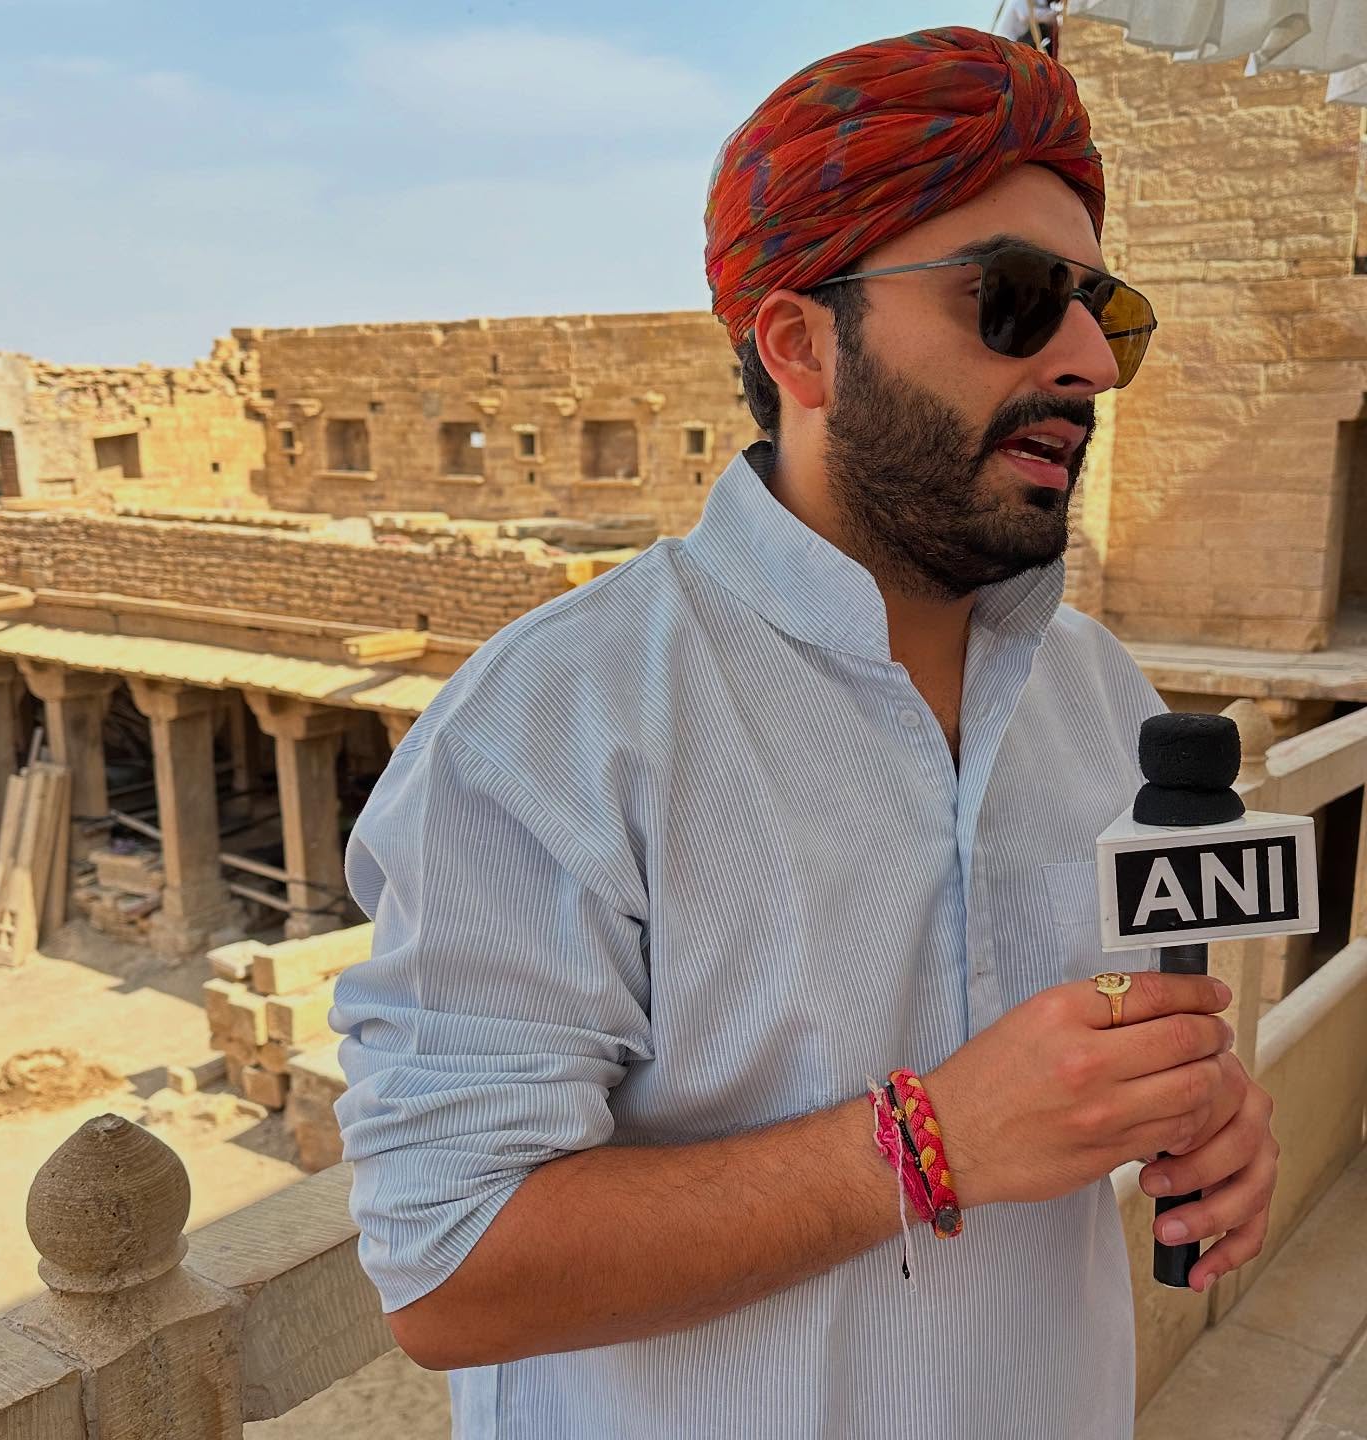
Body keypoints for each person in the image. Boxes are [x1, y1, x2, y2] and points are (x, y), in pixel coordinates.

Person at [331, 26, 1278, 1438]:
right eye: (1018, 300)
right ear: (801, 345)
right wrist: (928, 1145)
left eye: (1106, 310)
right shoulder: (553, 726)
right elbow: (449, 1272)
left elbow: (1081, 1071)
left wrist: (1203, 1113)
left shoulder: (1107, 703)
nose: (1092, 360)